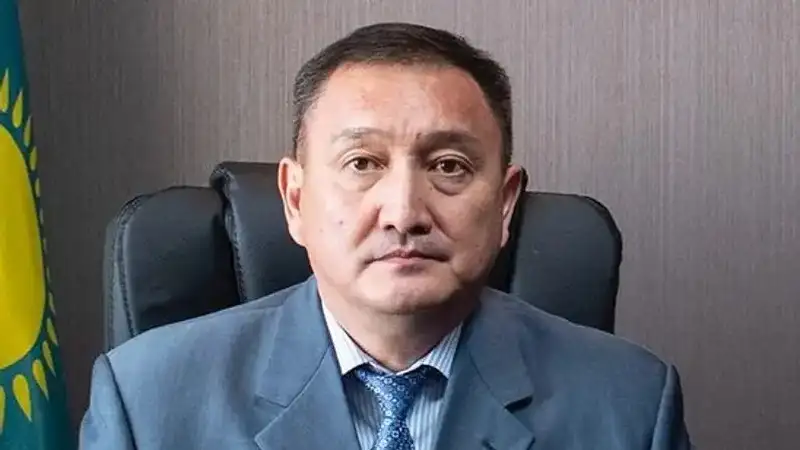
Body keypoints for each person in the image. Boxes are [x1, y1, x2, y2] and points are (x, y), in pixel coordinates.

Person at [80, 22, 693, 450]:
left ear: (505, 205)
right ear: (295, 200)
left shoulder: (632, 406)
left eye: (449, 166)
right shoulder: (147, 401)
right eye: (362, 163)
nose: (403, 213)